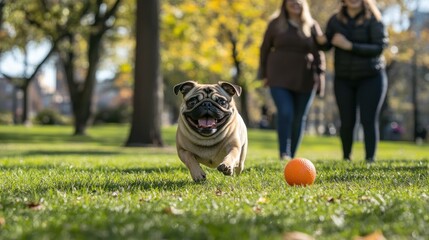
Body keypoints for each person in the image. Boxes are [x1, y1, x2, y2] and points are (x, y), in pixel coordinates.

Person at [315, 0, 388, 163]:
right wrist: (320, 41)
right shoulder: (335, 20)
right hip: (344, 78)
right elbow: (328, 44)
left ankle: (370, 158)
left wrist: (350, 46)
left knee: (368, 119)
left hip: (371, 76)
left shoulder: (374, 18)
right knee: (347, 121)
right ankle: (346, 157)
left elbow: (380, 47)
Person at [257, 0, 326, 160]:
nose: (295, 3)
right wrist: (264, 74)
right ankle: (284, 153)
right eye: (291, 0)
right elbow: (264, 48)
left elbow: (318, 53)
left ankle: (293, 156)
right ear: (285, 3)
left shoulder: (312, 25)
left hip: (305, 77)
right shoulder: (275, 24)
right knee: (286, 112)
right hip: (278, 76)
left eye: (299, 1)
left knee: (299, 117)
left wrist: (320, 75)